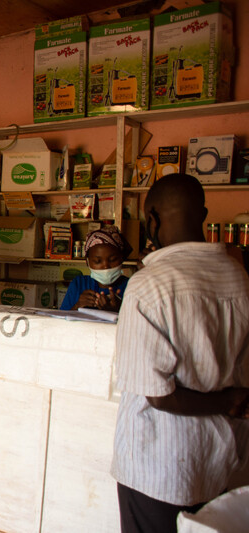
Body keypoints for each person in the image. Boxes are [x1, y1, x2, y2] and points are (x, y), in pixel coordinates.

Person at [111, 173, 249, 533]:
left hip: (157, 466)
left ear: (152, 220)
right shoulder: (238, 277)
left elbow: (157, 396)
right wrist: (230, 400)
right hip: (219, 461)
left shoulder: (148, 285)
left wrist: (226, 401)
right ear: (202, 215)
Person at [59, 226, 131, 311]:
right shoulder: (79, 284)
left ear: (121, 259)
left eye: (112, 260)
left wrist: (120, 310)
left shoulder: (130, 286)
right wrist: (77, 306)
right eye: (97, 261)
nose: (105, 266)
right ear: (88, 262)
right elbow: (62, 320)